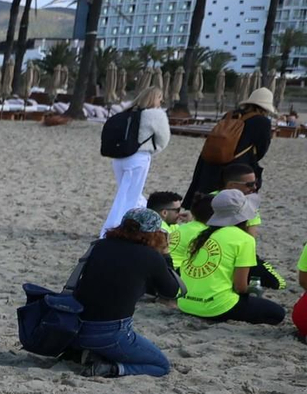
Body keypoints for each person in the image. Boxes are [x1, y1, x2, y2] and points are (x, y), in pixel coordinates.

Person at [69, 209, 181, 376]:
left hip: (75, 328)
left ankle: (93, 353)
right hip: (111, 333)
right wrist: (165, 255)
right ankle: (112, 368)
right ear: (155, 233)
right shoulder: (151, 257)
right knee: (161, 366)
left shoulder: (99, 246)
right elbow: (171, 291)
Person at [178, 189, 285, 325]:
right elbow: (240, 287)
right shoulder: (244, 239)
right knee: (277, 313)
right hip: (215, 307)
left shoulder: (200, 234)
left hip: (185, 303)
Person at [98, 86, 169, 236]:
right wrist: (151, 150)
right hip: (138, 157)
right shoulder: (156, 115)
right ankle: (113, 228)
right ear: (154, 98)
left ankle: (133, 225)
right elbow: (163, 140)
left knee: (128, 193)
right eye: (160, 97)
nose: (161, 100)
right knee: (129, 196)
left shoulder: (126, 113)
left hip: (118, 158)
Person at [184, 88, 276, 201]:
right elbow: (261, 150)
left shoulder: (230, 114)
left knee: (207, 200)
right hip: (237, 164)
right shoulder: (263, 122)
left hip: (210, 162)